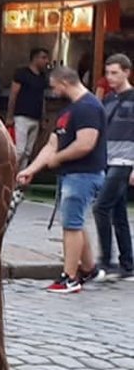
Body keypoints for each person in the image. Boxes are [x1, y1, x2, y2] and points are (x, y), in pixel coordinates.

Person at [17, 66, 107, 294]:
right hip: (72, 174)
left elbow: (86, 143)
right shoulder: (69, 111)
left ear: (64, 82)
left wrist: (58, 159)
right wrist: (32, 169)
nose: (53, 90)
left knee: (71, 225)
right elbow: (52, 144)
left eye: (54, 85)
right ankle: (89, 268)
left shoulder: (88, 107)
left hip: (84, 174)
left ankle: (70, 277)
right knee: (75, 222)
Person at [94, 53, 134, 281]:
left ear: (126, 72)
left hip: (125, 160)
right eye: (107, 73)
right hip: (108, 159)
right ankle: (127, 263)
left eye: (115, 73)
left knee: (101, 207)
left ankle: (106, 261)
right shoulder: (107, 100)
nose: (110, 77)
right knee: (118, 213)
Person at [7, 48, 51, 171]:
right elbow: (13, 94)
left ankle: (20, 180)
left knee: (28, 152)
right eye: (43, 58)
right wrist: (10, 116)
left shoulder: (42, 76)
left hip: (35, 117)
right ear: (35, 58)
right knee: (19, 150)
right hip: (21, 116)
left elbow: (42, 98)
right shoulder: (22, 73)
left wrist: (43, 118)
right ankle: (10, 176)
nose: (46, 61)